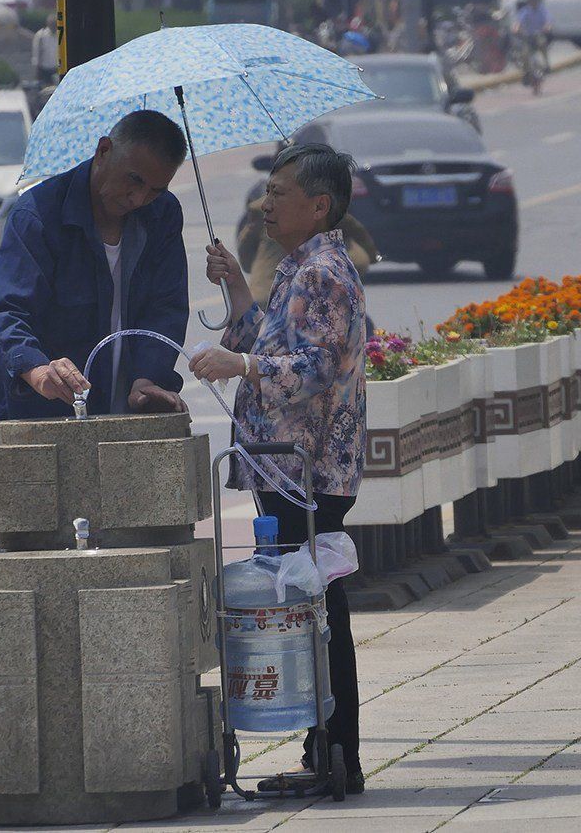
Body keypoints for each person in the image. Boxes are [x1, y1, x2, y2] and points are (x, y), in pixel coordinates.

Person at [191, 143, 368, 795]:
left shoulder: (324, 273)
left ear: (319, 205)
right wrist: (237, 285)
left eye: (282, 192)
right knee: (309, 604)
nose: (268, 202)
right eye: (268, 190)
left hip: (308, 474)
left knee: (318, 609)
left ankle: (337, 753)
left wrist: (239, 367)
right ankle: (327, 751)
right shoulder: (302, 268)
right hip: (286, 473)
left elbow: (312, 370)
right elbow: (269, 337)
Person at [0, 110, 191, 442]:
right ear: (103, 150)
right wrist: (37, 371)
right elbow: (9, 312)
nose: (138, 199)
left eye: (154, 189)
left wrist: (148, 378)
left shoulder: (162, 214)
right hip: (38, 415)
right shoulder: (37, 215)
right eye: (134, 180)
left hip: (127, 415)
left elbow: (166, 307)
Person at [237, 185, 379, 309]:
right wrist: (372, 256)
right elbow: (358, 233)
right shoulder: (320, 204)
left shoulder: (260, 209)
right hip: (308, 304)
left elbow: (246, 259)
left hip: (264, 298)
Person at [31, 14, 59, 87]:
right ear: (48, 24)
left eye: (55, 24)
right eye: (52, 24)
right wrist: (36, 70)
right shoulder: (41, 35)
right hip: (44, 69)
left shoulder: (60, 35)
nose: (54, 26)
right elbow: (36, 53)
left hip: (57, 68)